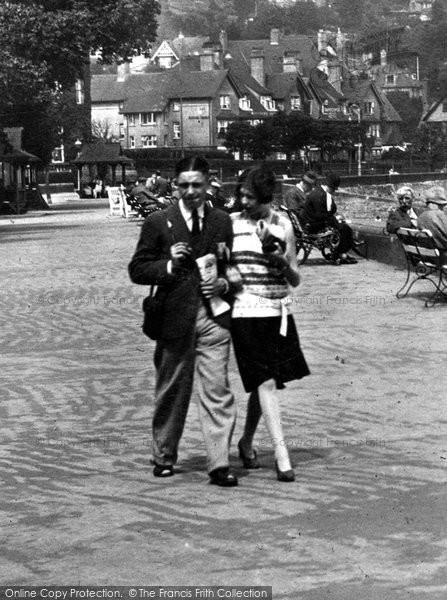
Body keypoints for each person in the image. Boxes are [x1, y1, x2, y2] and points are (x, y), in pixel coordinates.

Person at [128, 156, 238, 487]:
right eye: (183, 185)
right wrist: (168, 265)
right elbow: (138, 269)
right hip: (174, 318)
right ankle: (163, 455)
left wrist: (224, 283)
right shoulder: (159, 222)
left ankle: (218, 463)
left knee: (218, 392)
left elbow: (230, 266)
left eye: (197, 185)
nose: (190, 192)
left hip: (212, 318)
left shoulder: (222, 221)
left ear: (208, 185)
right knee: (171, 391)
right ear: (176, 186)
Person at [230, 167, 310, 482]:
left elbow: (294, 278)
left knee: (266, 383)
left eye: (250, 196)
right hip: (245, 312)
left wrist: (277, 259)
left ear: (266, 197)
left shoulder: (284, 226)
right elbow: (223, 263)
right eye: (242, 194)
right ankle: (282, 455)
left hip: (277, 312)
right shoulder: (232, 224)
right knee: (264, 383)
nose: (243, 200)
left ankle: (247, 442)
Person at [299, 173, 357, 264]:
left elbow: (323, 213)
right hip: (313, 225)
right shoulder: (321, 195)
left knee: (341, 225)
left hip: (309, 222)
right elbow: (321, 215)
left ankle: (341, 252)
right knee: (345, 229)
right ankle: (341, 254)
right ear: (330, 187)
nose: (333, 191)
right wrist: (336, 221)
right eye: (333, 189)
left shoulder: (318, 192)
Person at [417, 186, 447, 261]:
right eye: (442, 205)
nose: (443, 207)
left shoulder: (421, 217)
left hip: (428, 256)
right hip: (442, 256)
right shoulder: (439, 214)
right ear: (435, 204)